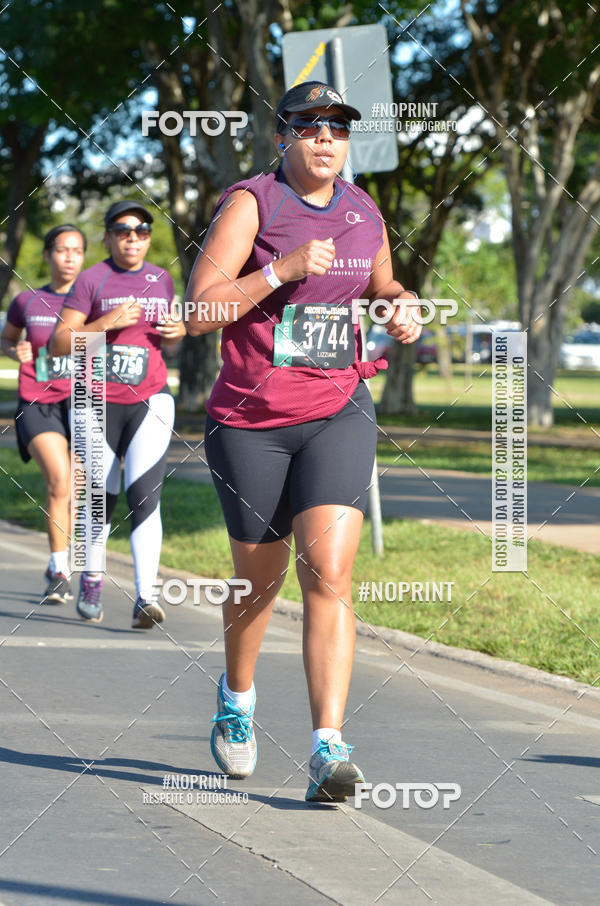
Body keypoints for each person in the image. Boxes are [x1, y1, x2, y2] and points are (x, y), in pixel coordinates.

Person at [185, 81, 422, 802]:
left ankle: (327, 746)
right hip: (251, 422)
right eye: (310, 126)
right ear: (282, 136)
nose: (326, 138)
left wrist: (401, 306)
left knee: (330, 574)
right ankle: (237, 696)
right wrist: (280, 270)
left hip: (337, 406)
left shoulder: (362, 210)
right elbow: (200, 309)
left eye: (338, 128)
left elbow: (382, 285)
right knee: (260, 583)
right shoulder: (253, 204)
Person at [51, 201, 185, 628]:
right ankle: (91, 576)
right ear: (108, 236)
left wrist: (179, 332)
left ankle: (146, 597)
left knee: (144, 496)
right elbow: (59, 343)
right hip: (95, 401)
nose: (133, 237)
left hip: (151, 400)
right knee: (98, 499)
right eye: (123, 230)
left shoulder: (161, 279)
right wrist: (106, 321)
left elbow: (169, 342)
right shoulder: (92, 279)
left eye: (142, 230)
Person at [1, 224, 87, 605]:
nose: (69, 257)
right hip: (37, 401)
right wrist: (12, 350)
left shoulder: (96, 301)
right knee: (59, 480)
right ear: (49, 255)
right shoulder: (28, 301)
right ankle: (59, 569)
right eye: (62, 250)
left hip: (84, 403)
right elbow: (7, 337)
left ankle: (65, 560)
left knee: (77, 491)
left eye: (77, 251)